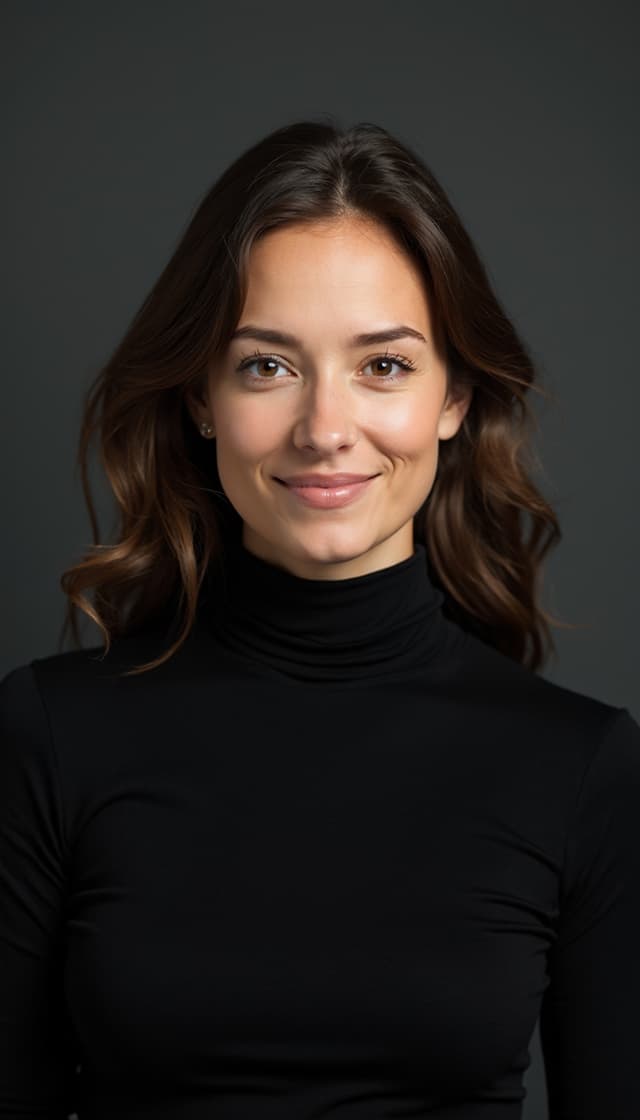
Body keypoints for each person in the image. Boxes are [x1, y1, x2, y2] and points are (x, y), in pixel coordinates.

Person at [1, 117, 638, 1120]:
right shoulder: (48, 735)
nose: (325, 429)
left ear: (455, 397)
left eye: (382, 365)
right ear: (202, 397)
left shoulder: (581, 767)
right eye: (268, 365)